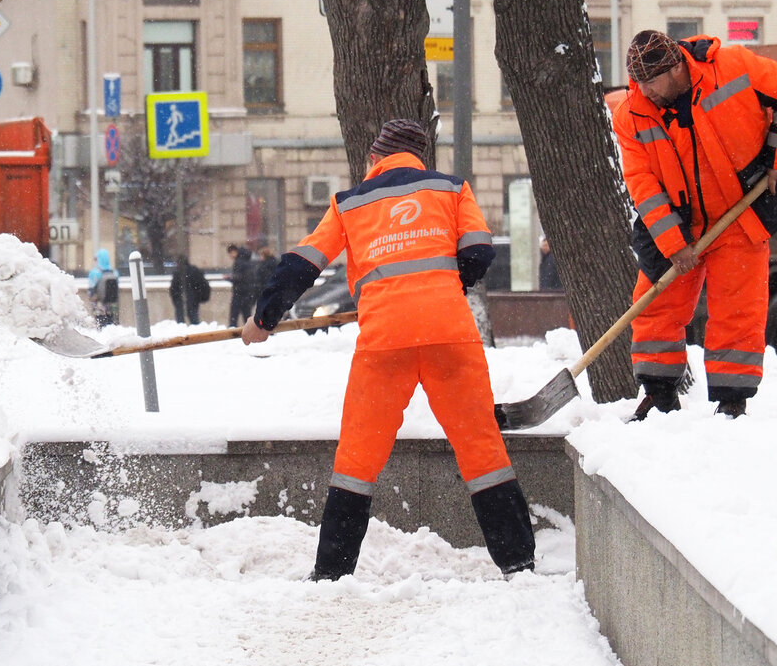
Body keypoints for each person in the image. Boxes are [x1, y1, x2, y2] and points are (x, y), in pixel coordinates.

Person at [241, 118, 535, 581]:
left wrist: (263, 319)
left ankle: (331, 574)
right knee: (482, 451)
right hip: (450, 337)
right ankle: (518, 563)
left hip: (384, 343)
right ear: (419, 157)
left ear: (375, 158)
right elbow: (479, 251)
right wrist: (442, 285)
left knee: (357, 460)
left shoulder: (349, 202)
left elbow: (303, 262)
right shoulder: (453, 189)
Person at [612, 30, 777, 420]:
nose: (644, 92)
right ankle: (659, 394)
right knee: (655, 305)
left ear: (673, 69)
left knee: (737, 310)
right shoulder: (631, 114)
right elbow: (644, 186)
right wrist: (673, 244)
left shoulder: (733, 67)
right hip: (678, 222)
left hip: (739, 214)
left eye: (650, 83)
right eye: (639, 84)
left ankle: (732, 401)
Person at [170, 254, 210, 325]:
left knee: (181, 322)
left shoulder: (177, 272)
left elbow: (173, 288)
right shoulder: (194, 270)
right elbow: (202, 284)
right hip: (193, 299)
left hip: (182, 299)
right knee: (194, 319)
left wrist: (176, 299)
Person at [87, 248, 119, 328]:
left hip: (99, 305)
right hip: (113, 305)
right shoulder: (115, 272)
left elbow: (91, 289)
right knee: (112, 326)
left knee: (100, 325)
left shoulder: (94, 272)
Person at [226, 244, 256, 327]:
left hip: (239, 292)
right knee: (247, 315)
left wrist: (229, 277)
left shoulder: (239, 262)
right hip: (248, 291)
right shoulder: (247, 260)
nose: (230, 256)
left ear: (235, 251)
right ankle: (250, 331)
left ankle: (232, 332)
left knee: (234, 315)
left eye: (231, 253)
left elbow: (239, 277)